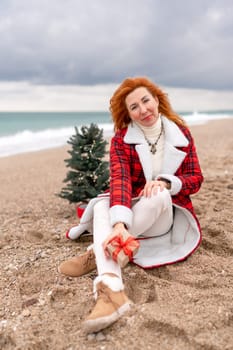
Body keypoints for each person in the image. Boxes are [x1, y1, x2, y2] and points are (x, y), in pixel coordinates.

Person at [58, 77, 204, 334]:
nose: (143, 110)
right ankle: (111, 288)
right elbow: (121, 181)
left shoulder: (182, 134)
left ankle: (97, 250)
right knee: (104, 206)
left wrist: (167, 183)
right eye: (134, 106)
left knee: (158, 196)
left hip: (162, 215)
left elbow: (196, 179)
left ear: (157, 100)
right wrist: (120, 224)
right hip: (131, 213)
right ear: (127, 113)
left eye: (146, 100)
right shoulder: (121, 140)